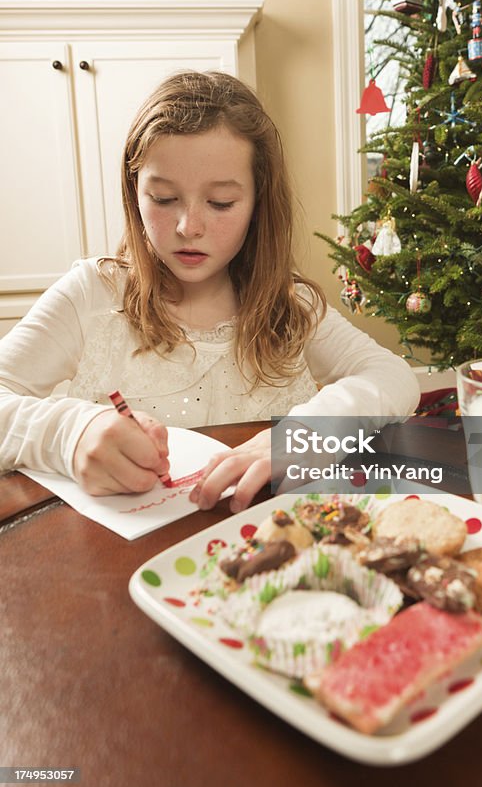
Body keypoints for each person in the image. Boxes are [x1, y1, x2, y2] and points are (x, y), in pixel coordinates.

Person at [0, 71, 420, 512]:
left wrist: (307, 434)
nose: (188, 227)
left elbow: (392, 376)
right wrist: (70, 433)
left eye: (220, 203)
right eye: (163, 198)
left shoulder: (290, 304)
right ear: (134, 193)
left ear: (258, 204)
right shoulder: (92, 294)